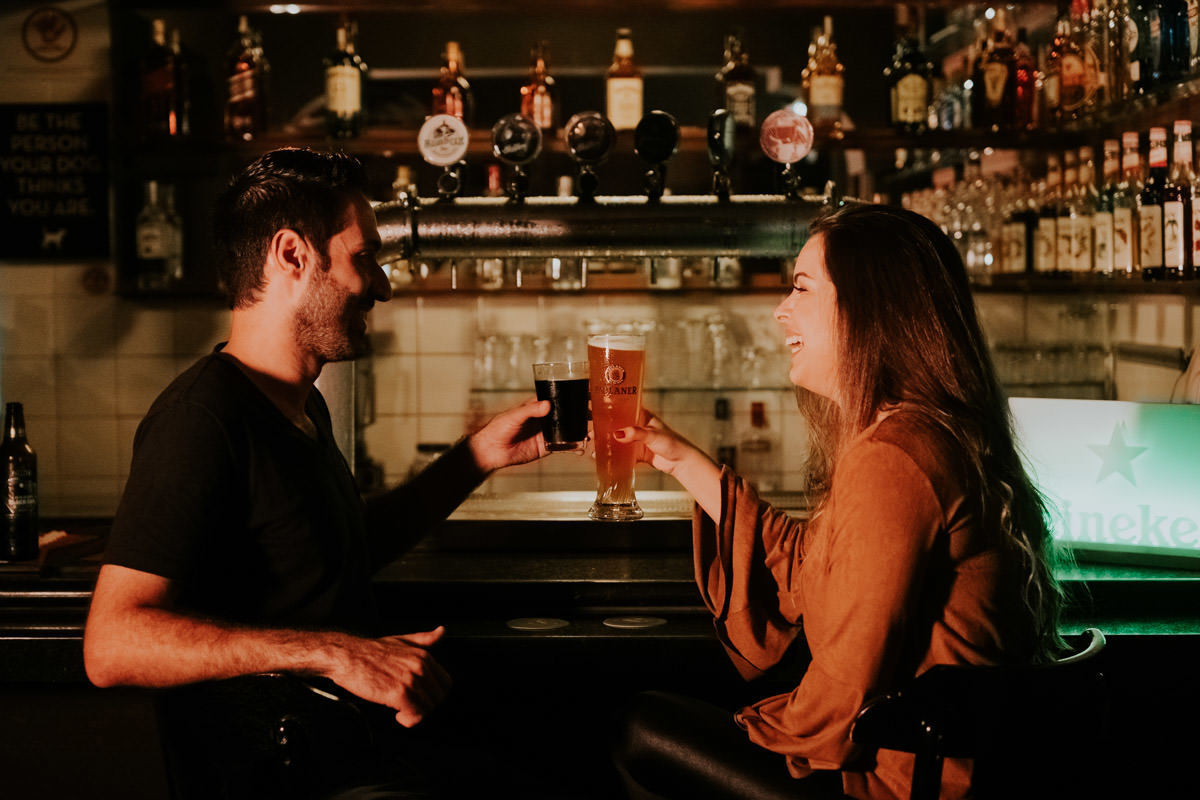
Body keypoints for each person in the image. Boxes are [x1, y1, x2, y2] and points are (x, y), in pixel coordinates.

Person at [82, 148, 550, 797]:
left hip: (350, 754)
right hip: (281, 775)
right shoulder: (202, 419)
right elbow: (111, 643)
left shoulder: (299, 408)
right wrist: (338, 652)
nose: (382, 284)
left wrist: (474, 459)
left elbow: (334, 549)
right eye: (365, 257)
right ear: (293, 255)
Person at [612, 203, 1064, 800]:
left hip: (893, 780)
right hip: (922, 763)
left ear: (869, 307)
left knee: (640, 727)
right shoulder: (921, 433)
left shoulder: (895, 456)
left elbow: (848, 682)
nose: (780, 310)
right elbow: (818, 566)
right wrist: (677, 459)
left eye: (801, 287)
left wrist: (755, 724)